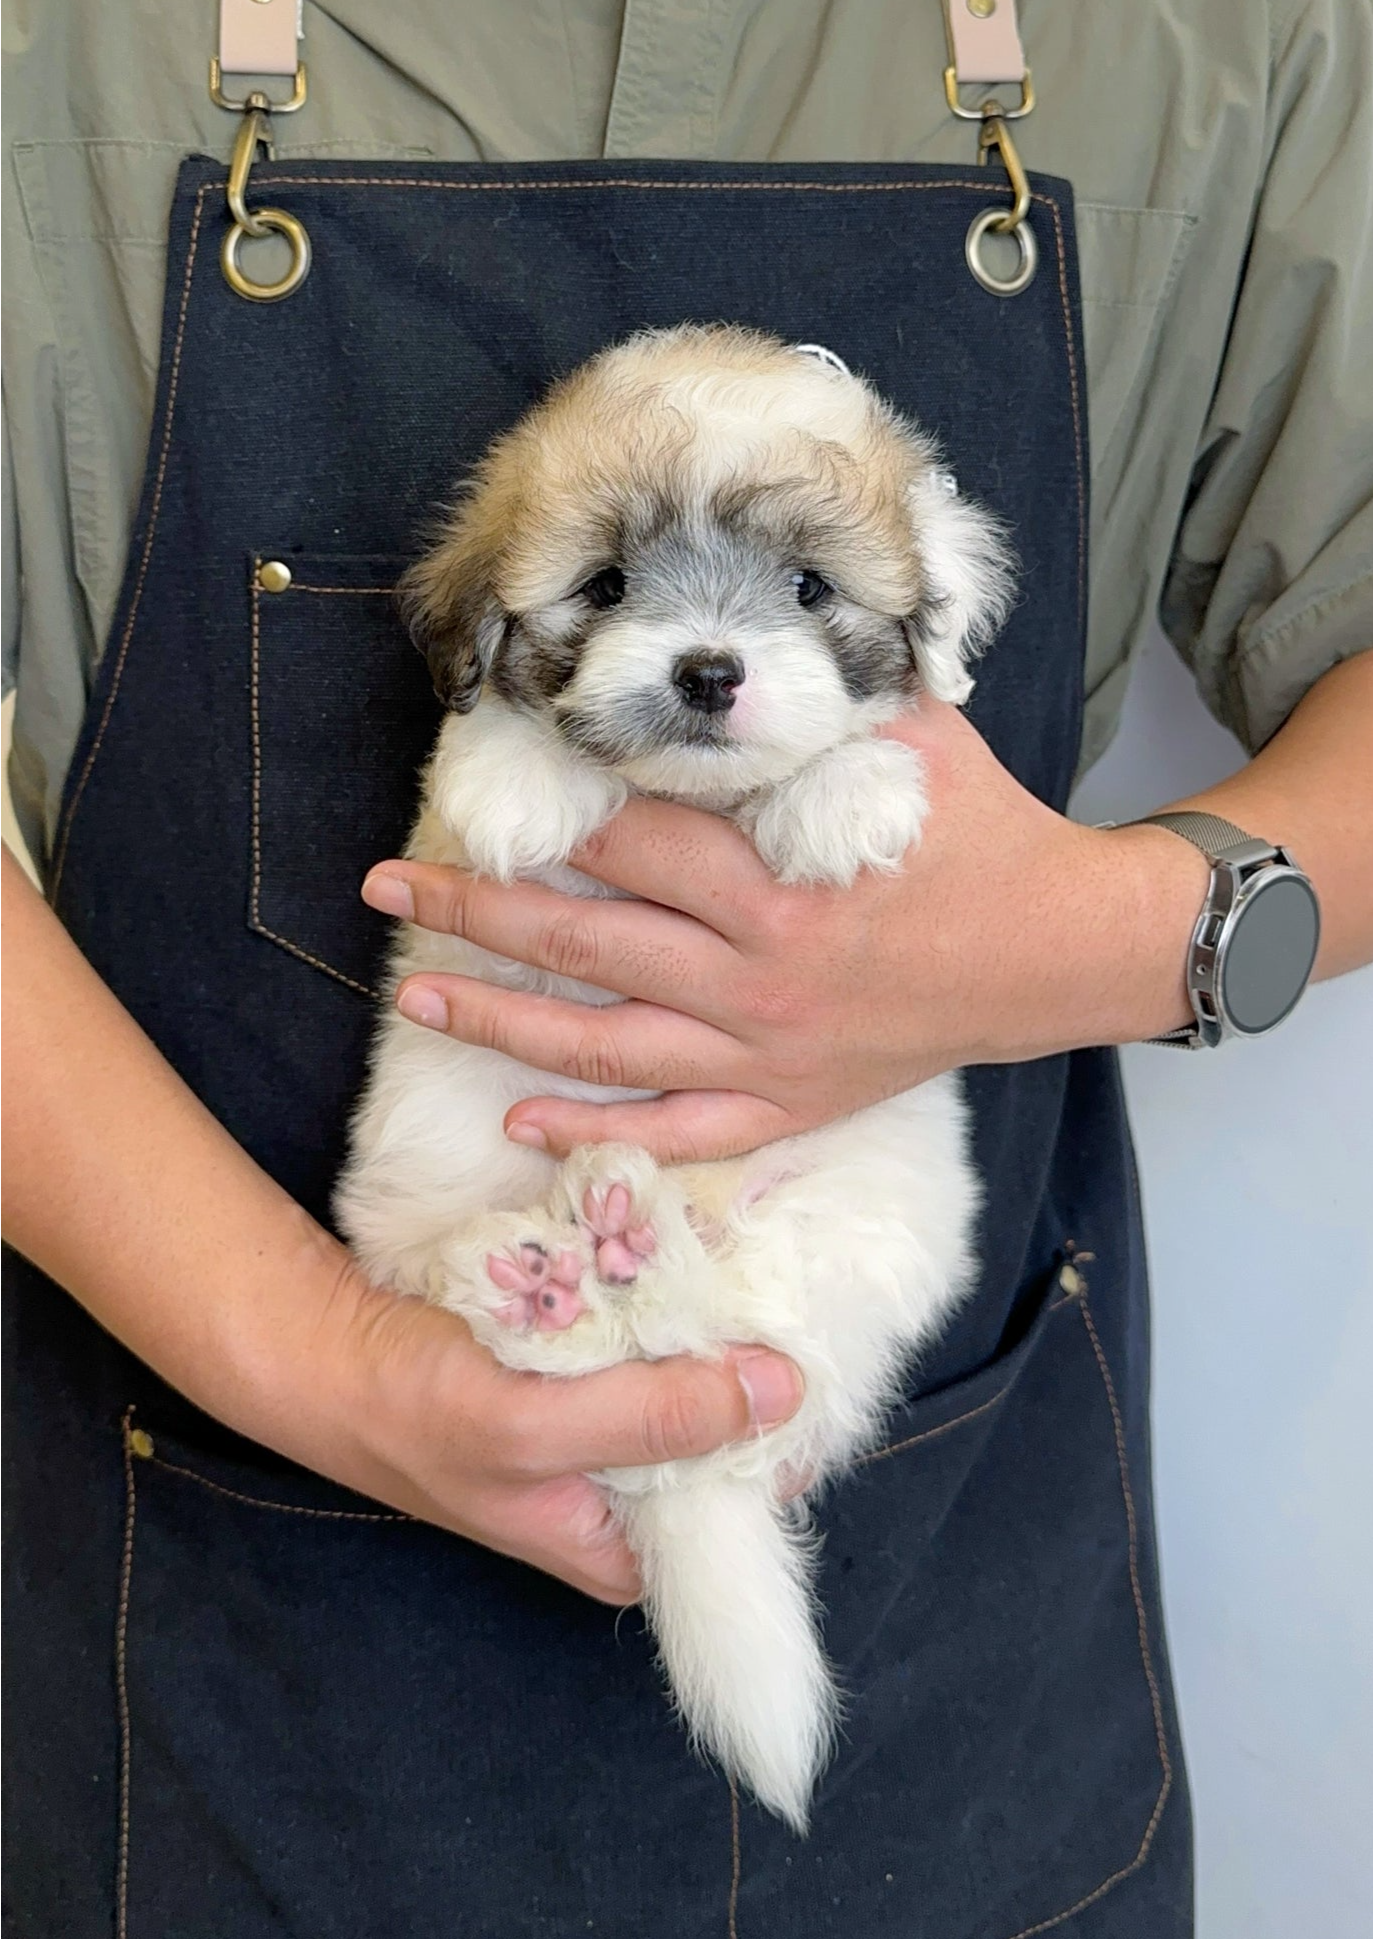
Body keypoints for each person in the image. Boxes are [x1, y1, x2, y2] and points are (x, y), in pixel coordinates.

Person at [2, 4, 1369, 1934]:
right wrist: (323, 1354)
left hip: (951, 1654)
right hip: (224, 1674)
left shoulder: (1220, 40)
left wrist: (1125, 934)